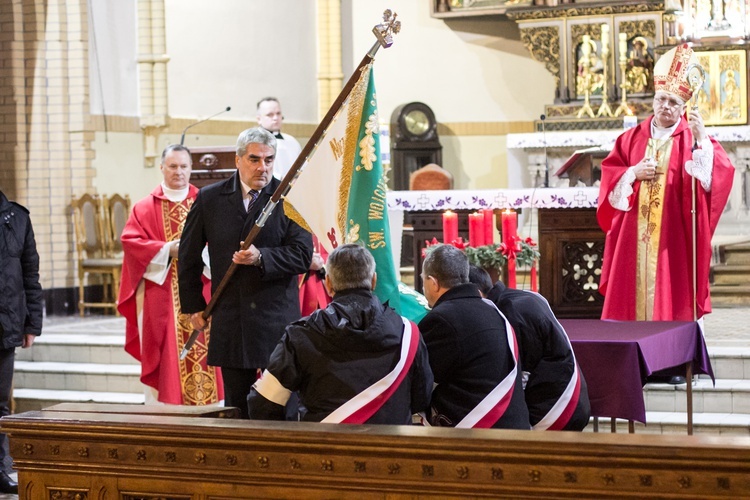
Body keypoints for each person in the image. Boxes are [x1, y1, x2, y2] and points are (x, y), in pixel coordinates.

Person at [178, 127, 313, 419]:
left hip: (275, 316)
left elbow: (303, 255)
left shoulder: (289, 198)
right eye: (254, 159)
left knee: (281, 407)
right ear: (238, 160)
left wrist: (261, 257)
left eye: (268, 160)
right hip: (231, 315)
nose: (261, 167)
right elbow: (187, 257)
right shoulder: (209, 198)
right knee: (236, 407)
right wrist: (193, 308)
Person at [598, 43, 734, 322]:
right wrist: (632, 173)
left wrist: (701, 140)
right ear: (653, 99)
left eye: (673, 103)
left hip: (672, 237)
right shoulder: (630, 139)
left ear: (684, 107)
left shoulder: (692, 138)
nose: (665, 107)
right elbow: (610, 177)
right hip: (632, 236)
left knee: (669, 297)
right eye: (661, 99)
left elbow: (718, 177)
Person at [247, 243, 433, 424]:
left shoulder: (301, 334)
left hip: (324, 451)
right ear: (374, 280)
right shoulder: (408, 333)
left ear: (328, 283)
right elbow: (421, 398)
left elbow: (263, 403)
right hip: (394, 451)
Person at [118, 144, 223, 406]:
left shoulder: (209, 202)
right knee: (164, 350)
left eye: (184, 166)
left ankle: (213, 411)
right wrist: (167, 250)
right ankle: (166, 410)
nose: (179, 172)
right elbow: (132, 243)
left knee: (210, 344)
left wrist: (194, 252)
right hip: (162, 292)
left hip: (204, 287)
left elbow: (224, 241)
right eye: (173, 166)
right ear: (162, 167)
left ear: (192, 169)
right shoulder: (144, 208)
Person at [418, 244, 529, 429]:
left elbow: (422, 380)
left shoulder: (441, 319)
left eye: (423, 281)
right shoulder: (493, 309)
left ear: (433, 282)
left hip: (478, 436)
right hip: (514, 425)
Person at [468, 266, 590, 431]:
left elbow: (522, 370)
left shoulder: (510, 310)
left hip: (558, 405)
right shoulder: (522, 297)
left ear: (476, 291)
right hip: (571, 394)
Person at [0, 190, 43, 494]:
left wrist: (32, 323)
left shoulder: (17, 216)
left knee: (1, 404)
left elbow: (30, 274)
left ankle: (1, 467)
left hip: (5, 323)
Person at [256, 97, 302, 181]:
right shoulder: (254, 142)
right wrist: (281, 179)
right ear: (259, 119)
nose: (275, 118)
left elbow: (303, 167)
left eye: (278, 113)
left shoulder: (292, 141)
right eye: (270, 115)